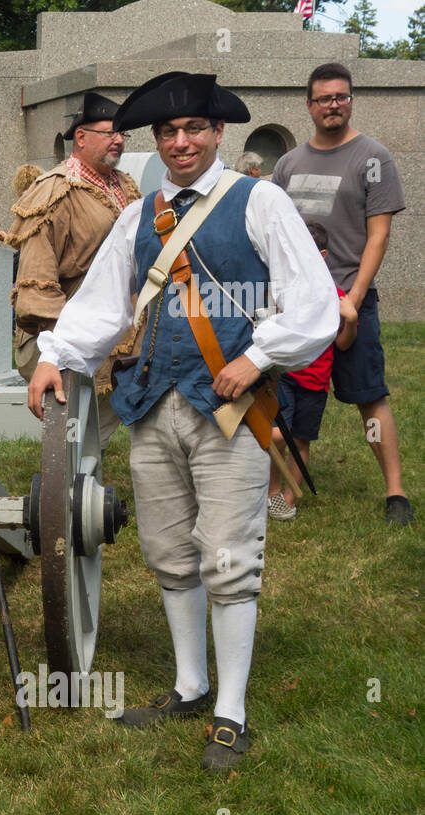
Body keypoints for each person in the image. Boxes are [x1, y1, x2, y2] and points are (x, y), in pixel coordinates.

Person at [27, 73, 338, 771]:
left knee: (227, 555)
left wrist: (256, 357)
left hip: (231, 409)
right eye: (168, 132)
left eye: (194, 128)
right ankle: (190, 685)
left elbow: (312, 302)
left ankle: (232, 711)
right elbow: (107, 301)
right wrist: (57, 356)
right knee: (169, 551)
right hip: (151, 401)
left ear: (218, 133)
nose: (181, 141)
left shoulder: (260, 201)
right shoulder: (141, 217)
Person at [271, 62, 411, 527]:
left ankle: (396, 493)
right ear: (309, 105)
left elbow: (379, 236)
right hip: (297, 304)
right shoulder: (288, 165)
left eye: (342, 96)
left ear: (351, 100)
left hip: (351, 300)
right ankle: (280, 492)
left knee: (368, 395)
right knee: (289, 397)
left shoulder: (373, 157)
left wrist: (353, 297)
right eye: (325, 98)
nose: (334, 104)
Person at [3, 92, 141, 450]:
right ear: (80, 137)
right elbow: (37, 277)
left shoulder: (124, 186)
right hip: (66, 333)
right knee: (71, 441)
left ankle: (84, 482)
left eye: (123, 133)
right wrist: (58, 346)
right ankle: (71, 490)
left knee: (93, 437)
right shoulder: (53, 191)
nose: (119, 140)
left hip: (118, 331)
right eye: (110, 132)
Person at [267, 222, 357, 521]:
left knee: (301, 441)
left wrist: (352, 320)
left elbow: (343, 344)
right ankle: (271, 492)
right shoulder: (282, 290)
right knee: (278, 436)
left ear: (321, 255)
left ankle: (289, 501)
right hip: (286, 376)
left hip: (315, 384)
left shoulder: (336, 296)